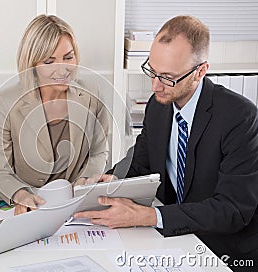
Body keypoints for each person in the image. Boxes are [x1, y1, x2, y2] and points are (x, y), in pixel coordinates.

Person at [75, 15, 258, 269]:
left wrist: (150, 216)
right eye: (152, 71)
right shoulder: (158, 107)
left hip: (226, 249)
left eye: (168, 78)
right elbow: (141, 162)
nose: (155, 86)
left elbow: (233, 209)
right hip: (175, 240)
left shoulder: (240, 117)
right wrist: (110, 182)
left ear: (200, 71)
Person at [0, 14, 110, 215]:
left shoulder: (92, 94)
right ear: (32, 64)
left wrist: (83, 184)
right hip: (30, 206)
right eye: (49, 61)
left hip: (76, 204)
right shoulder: (6, 102)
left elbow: (98, 152)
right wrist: (22, 195)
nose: (63, 70)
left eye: (68, 57)